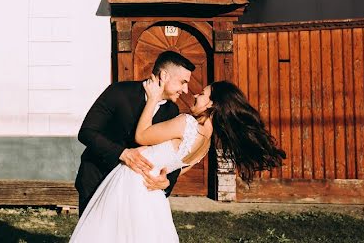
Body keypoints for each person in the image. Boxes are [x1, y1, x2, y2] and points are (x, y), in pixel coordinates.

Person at [69, 78, 286, 243]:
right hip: (152, 192)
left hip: (132, 182)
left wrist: (152, 98)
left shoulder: (186, 123)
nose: (194, 96)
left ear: (212, 105)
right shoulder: (206, 143)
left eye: (202, 94)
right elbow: (176, 169)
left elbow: (141, 136)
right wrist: (164, 180)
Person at [74, 51, 195, 216]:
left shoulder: (172, 111)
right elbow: (87, 132)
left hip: (135, 191)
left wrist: (167, 181)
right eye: (183, 82)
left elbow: (170, 152)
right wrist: (122, 153)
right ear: (164, 75)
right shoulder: (119, 92)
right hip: (97, 177)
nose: (186, 90)